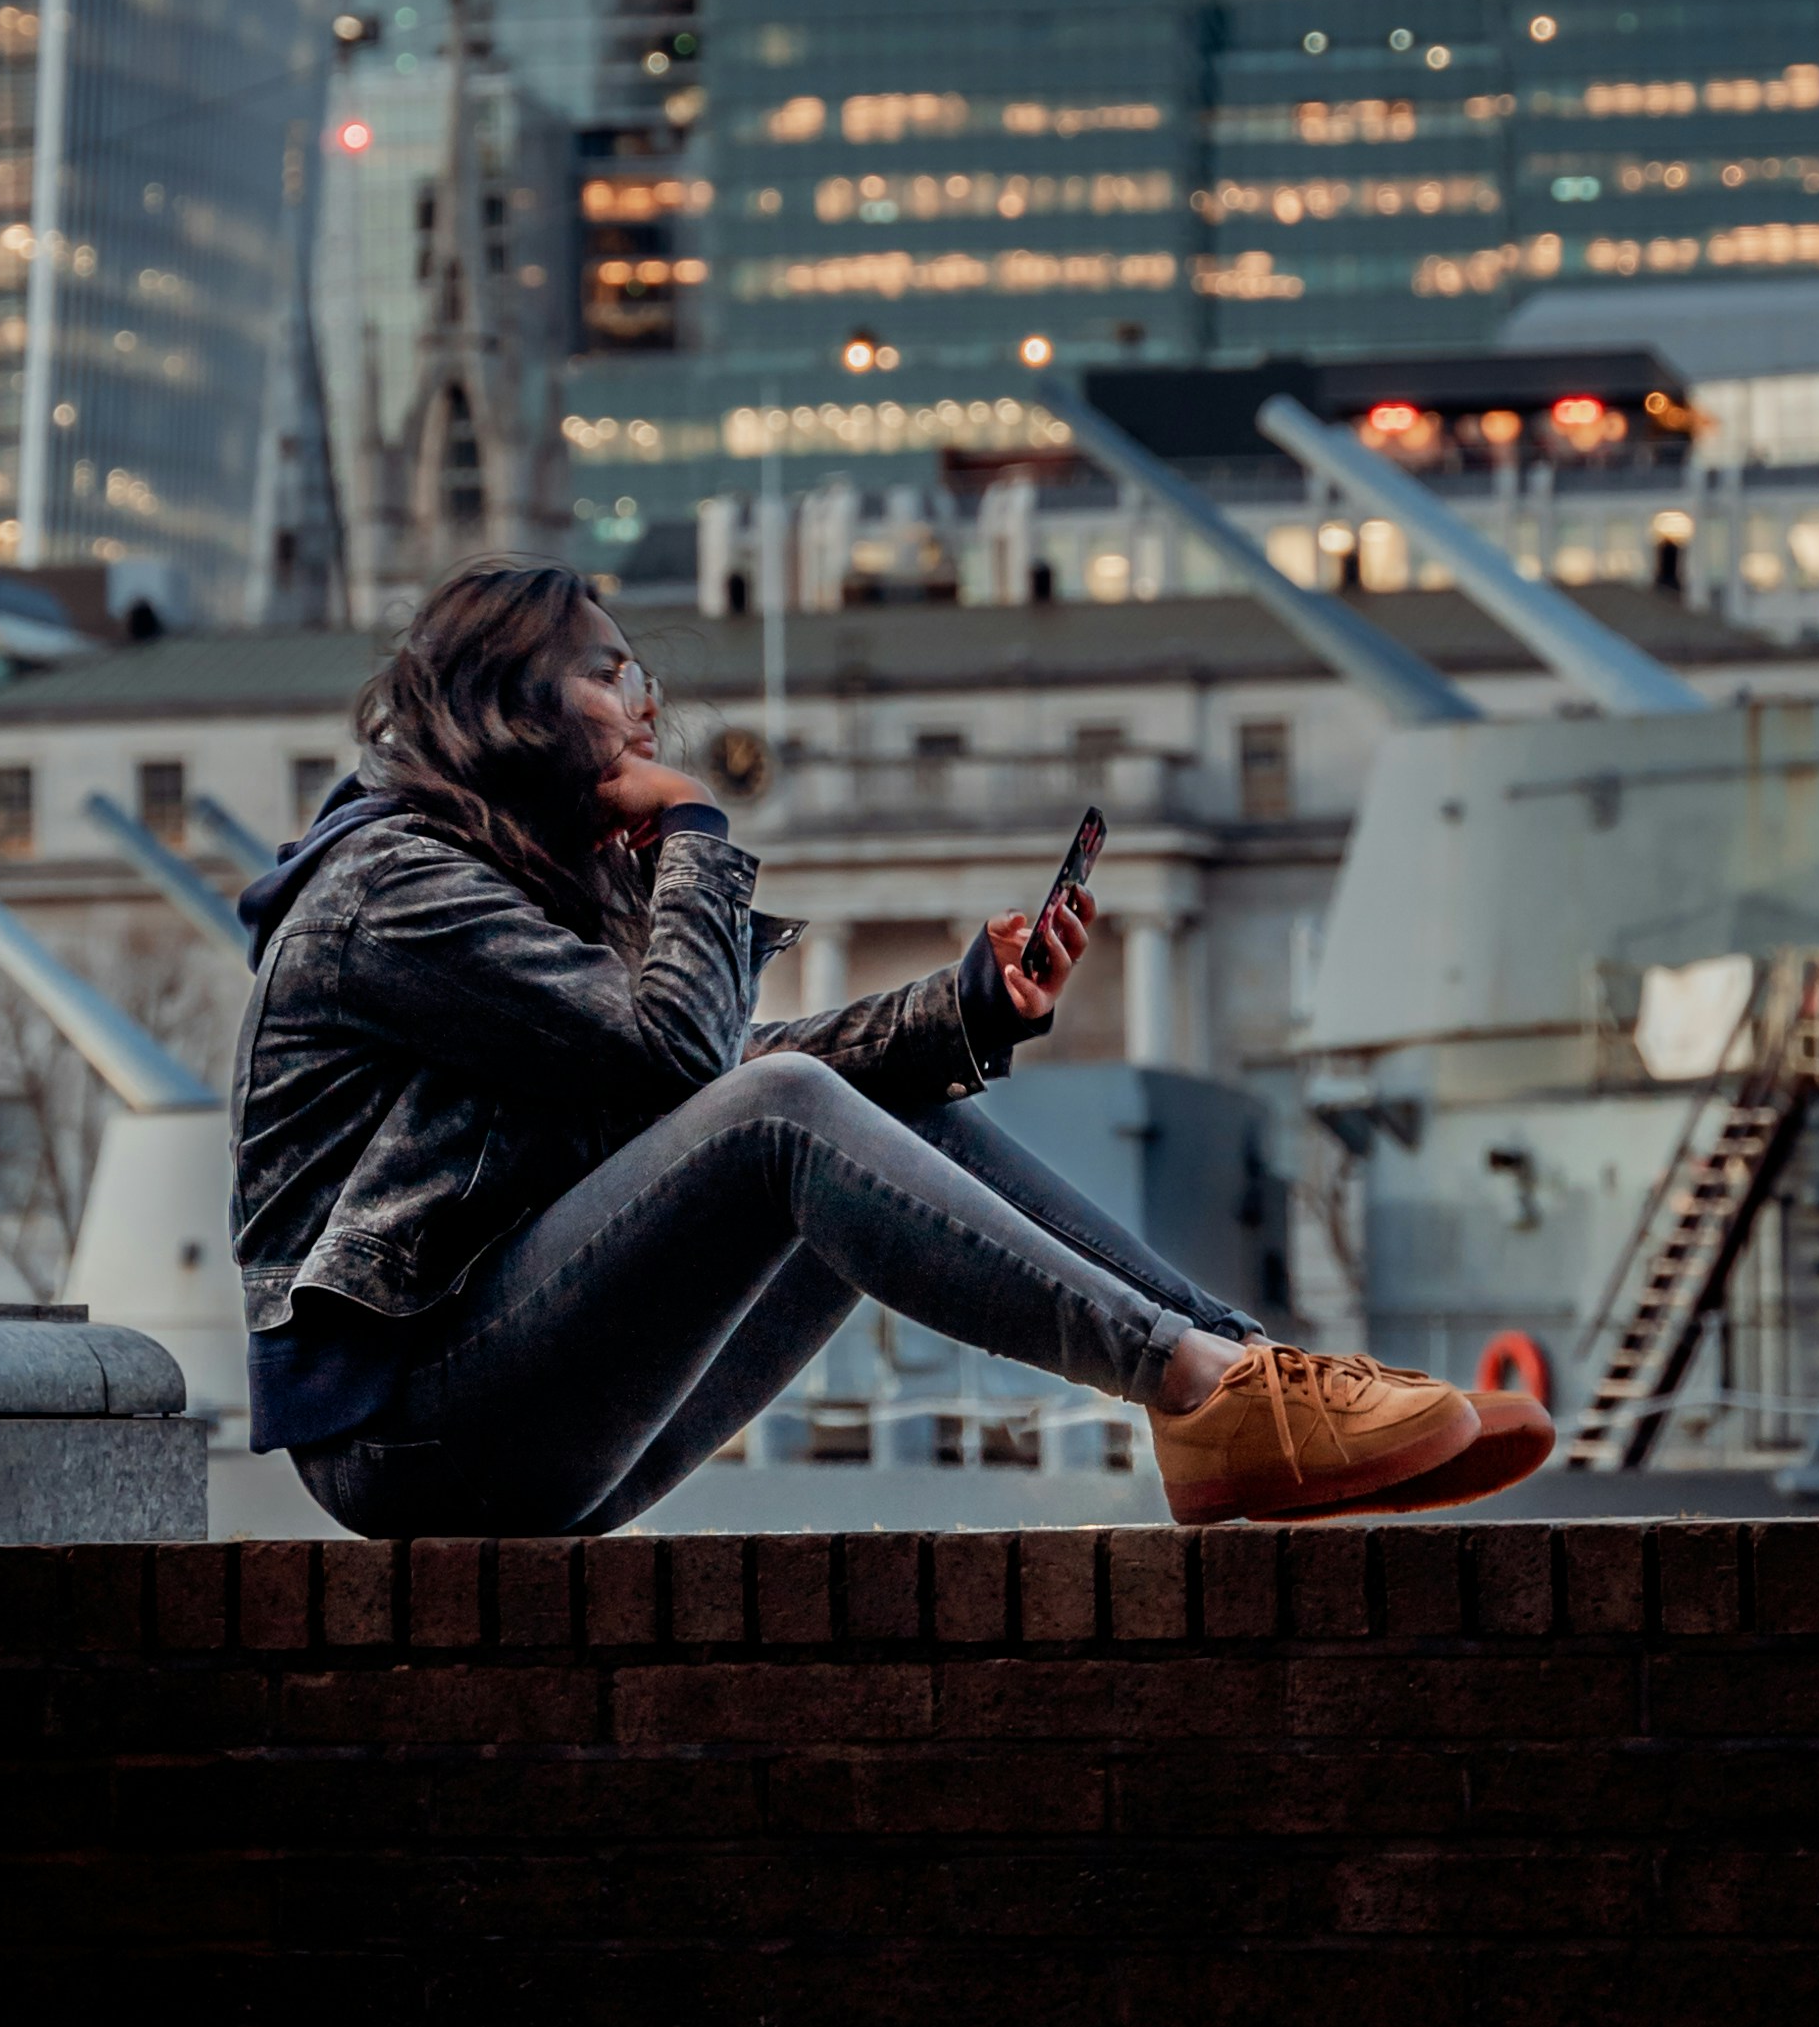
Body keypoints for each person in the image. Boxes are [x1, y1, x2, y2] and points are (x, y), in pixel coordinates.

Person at [231, 560, 1553, 1540]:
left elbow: (704, 1086)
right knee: (795, 1108)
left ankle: (1239, 1383)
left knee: (853, 1100)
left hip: (507, 1413)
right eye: (609, 669)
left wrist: (963, 1017)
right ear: (517, 702)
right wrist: (695, 830)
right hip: (410, 1433)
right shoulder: (389, 890)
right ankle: (1203, 1383)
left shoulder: (504, 881)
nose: (648, 704)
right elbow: (701, 1071)